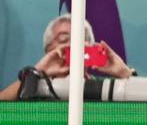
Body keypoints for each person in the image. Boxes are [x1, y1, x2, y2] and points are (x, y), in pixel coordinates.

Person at [0, 15, 133, 102]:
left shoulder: (104, 89)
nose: (74, 44)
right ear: (48, 49)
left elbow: (146, 111)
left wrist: (124, 73)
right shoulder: (32, 88)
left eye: (81, 38)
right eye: (64, 39)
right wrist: (38, 70)